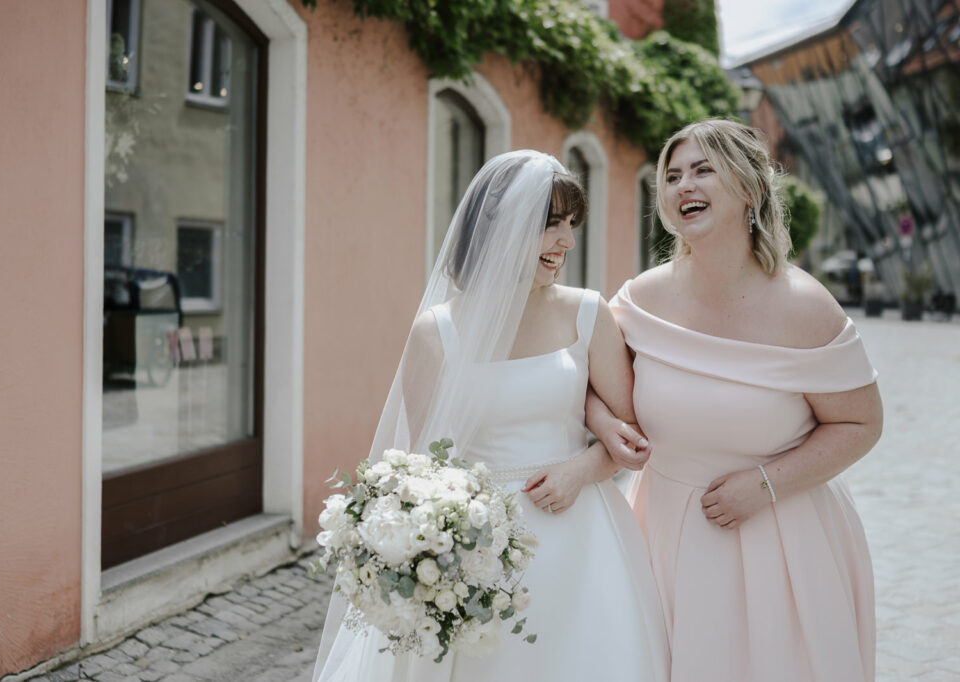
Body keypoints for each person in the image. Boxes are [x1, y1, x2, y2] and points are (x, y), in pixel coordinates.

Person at [312, 150, 669, 681]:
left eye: (571, 225)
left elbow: (634, 434)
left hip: (581, 536)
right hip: (476, 551)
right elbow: (421, 463)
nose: (566, 243)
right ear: (500, 229)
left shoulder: (589, 313)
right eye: (550, 226)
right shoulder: (436, 334)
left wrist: (579, 471)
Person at [587, 119, 883, 682]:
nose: (682, 186)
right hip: (663, 531)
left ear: (749, 188)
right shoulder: (640, 299)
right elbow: (590, 389)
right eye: (672, 176)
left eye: (703, 170)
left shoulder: (805, 307)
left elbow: (862, 422)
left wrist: (766, 485)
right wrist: (604, 425)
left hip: (782, 536)